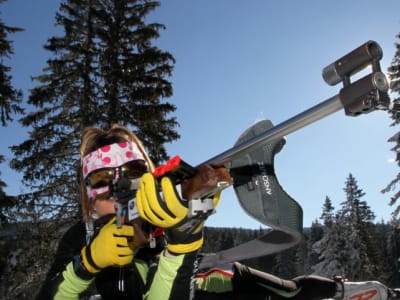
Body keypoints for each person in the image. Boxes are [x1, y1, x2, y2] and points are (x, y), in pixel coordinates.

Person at [36, 124, 389, 300]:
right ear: (87, 192)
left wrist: (183, 235)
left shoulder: (158, 220)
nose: (116, 190)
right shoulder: (79, 240)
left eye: (129, 174)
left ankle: (345, 292)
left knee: (272, 288)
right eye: (101, 178)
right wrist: (86, 265)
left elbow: (172, 285)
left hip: (196, 280)